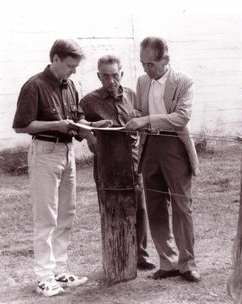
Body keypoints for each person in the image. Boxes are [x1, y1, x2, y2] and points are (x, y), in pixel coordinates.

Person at [12, 39, 111, 297]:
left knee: (67, 213)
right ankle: (44, 277)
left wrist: (91, 128)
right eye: (70, 66)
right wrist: (55, 125)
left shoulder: (70, 86)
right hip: (44, 152)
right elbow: (22, 126)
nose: (74, 71)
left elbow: (77, 119)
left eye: (76, 67)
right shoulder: (34, 86)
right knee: (46, 217)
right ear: (55, 59)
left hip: (68, 153)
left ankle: (60, 271)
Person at [125, 37, 201, 283]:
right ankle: (167, 263)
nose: (147, 69)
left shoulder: (184, 81)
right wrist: (132, 117)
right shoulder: (142, 81)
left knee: (182, 205)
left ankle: (187, 263)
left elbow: (181, 118)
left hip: (174, 146)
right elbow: (138, 110)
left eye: (151, 64)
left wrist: (146, 120)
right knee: (155, 204)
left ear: (165, 59)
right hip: (150, 147)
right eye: (143, 64)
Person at [80, 54, 156, 271]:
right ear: (98, 76)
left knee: (139, 207)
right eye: (105, 76)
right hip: (106, 163)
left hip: (133, 161)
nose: (111, 81)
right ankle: (116, 253)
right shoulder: (89, 100)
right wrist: (91, 131)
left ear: (121, 73)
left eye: (115, 76)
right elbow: (78, 123)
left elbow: (143, 119)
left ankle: (140, 255)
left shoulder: (133, 95)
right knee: (111, 207)